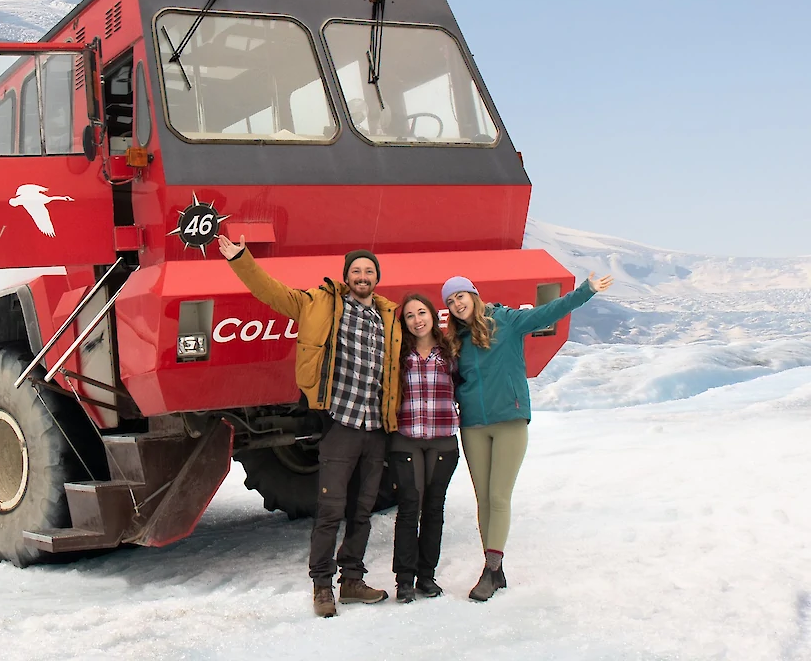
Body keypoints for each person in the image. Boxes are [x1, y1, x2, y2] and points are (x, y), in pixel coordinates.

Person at [217, 234, 402, 618]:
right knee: (330, 509)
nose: (363, 276)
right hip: (340, 424)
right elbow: (270, 292)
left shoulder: (389, 316)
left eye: (369, 270)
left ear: (377, 277)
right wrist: (240, 258)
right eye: (356, 270)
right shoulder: (317, 303)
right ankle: (322, 587)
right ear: (346, 275)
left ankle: (352, 580)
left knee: (362, 511)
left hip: (376, 428)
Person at [443, 272, 614, 601]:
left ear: (474, 294)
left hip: (509, 418)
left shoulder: (506, 320)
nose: (456, 304)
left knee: (498, 497)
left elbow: (549, 312)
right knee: (483, 500)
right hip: (473, 425)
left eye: (460, 296)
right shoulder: (456, 339)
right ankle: (495, 568)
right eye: (450, 301)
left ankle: (490, 570)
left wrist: (587, 290)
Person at [388, 293, 461, 603]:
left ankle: (426, 576)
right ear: (404, 323)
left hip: (443, 437)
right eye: (409, 316)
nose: (417, 320)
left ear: (433, 315)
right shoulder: (397, 354)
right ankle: (404, 580)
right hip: (406, 437)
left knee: (433, 507)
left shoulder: (451, 352)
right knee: (409, 505)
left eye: (422, 313)